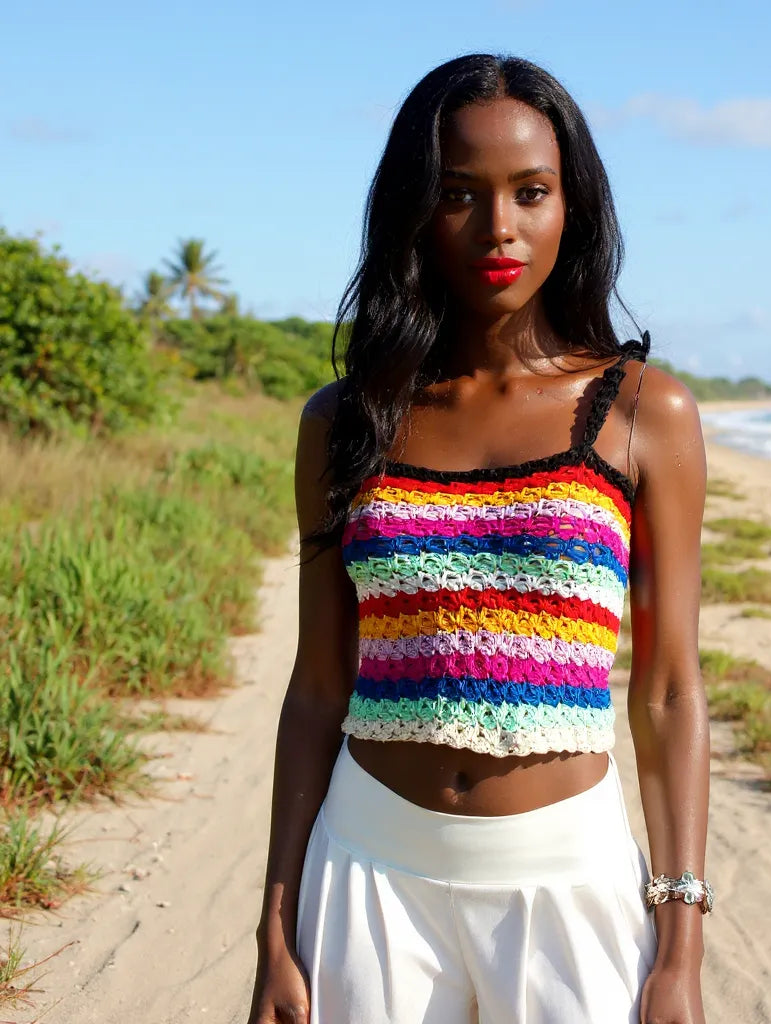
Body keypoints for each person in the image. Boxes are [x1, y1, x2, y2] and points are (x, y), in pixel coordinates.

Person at [247, 53, 710, 1024]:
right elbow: (318, 688)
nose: (499, 226)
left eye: (530, 192)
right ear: (415, 209)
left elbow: (668, 692)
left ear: (572, 206)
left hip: (567, 884)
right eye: (459, 193)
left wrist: (680, 948)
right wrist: (275, 928)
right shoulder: (345, 420)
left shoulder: (641, 411)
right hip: (368, 873)